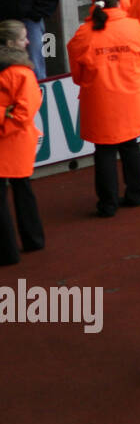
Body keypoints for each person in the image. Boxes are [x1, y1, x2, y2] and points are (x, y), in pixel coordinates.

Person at [67, 0, 140, 218]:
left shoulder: (84, 34)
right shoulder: (133, 27)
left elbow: (77, 72)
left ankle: (108, 203)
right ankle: (136, 193)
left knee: (104, 151)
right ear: (119, 2)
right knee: (131, 146)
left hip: (100, 100)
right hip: (131, 97)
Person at [0, 19, 42, 265]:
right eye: (23, 38)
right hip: (16, 141)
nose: (28, 41)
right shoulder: (23, 73)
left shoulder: (16, 73)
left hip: (10, 140)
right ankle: (33, 240)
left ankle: (8, 251)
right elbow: (24, 113)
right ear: (10, 43)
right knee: (23, 191)